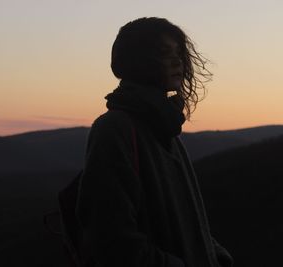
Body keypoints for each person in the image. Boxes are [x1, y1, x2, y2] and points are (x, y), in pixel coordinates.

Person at [74, 17, 234, 267]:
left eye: (178, 53)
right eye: (163, 53)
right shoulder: (114, 129)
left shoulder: (166, 128)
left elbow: (185, 219)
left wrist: (215, 255)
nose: (177, 61)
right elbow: (110, 237)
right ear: (136, 60)